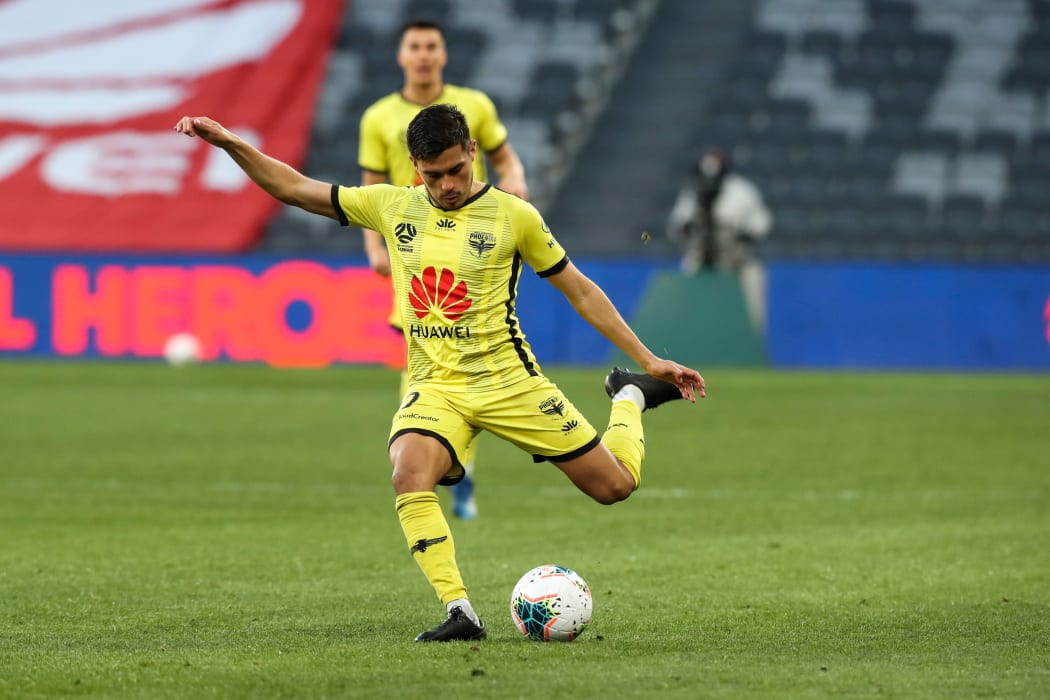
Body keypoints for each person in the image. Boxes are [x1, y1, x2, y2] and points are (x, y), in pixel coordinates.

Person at [174, 105, 705, 643]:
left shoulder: (513, 216)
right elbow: (292, 188)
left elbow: (580, 290)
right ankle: (461, 611)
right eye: (434, 175)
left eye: (456, 169)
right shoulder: (391, 207)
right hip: (435, 386)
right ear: (414, 167)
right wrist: (229, 142)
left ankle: (630, 398)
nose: (448, 184)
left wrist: (647, 361)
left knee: (614, 487)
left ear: (473, 152)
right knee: (408, 473)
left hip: (509, 383)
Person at [358, 19, 530, 520]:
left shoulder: (473, 106)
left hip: (471, 255)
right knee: (423, 360)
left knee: (466, 360)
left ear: (444, 54)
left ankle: (457, 468)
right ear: (401, 55)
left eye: (432, 46)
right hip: (414, 254)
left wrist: (516, 186)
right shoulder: (378, 117)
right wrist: (373, 248)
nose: (424, 55)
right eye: (415, 46)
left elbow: (505, 157)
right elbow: (368, 188)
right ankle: (432, 456)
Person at [667, 150, 773, 334]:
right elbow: (676, 224)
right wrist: (686, 228)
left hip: (736, 259)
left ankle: (749, 342)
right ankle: (688, 337)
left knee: (751, 298)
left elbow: (762, 221)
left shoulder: (741, 191)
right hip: (700, 257)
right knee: (687, 297)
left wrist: (747, 234)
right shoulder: (692, 193)